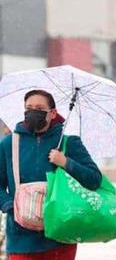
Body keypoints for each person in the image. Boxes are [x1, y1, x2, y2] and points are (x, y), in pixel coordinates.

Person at [0, 90, 102, 260]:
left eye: (39, 108)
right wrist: (12, 207)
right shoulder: (8, 144)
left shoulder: (69, 143)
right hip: (21, 238)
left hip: (60, 235)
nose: (33, 112)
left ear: (52, 113)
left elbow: (94, 180)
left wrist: (66, 162)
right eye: (29, 108)